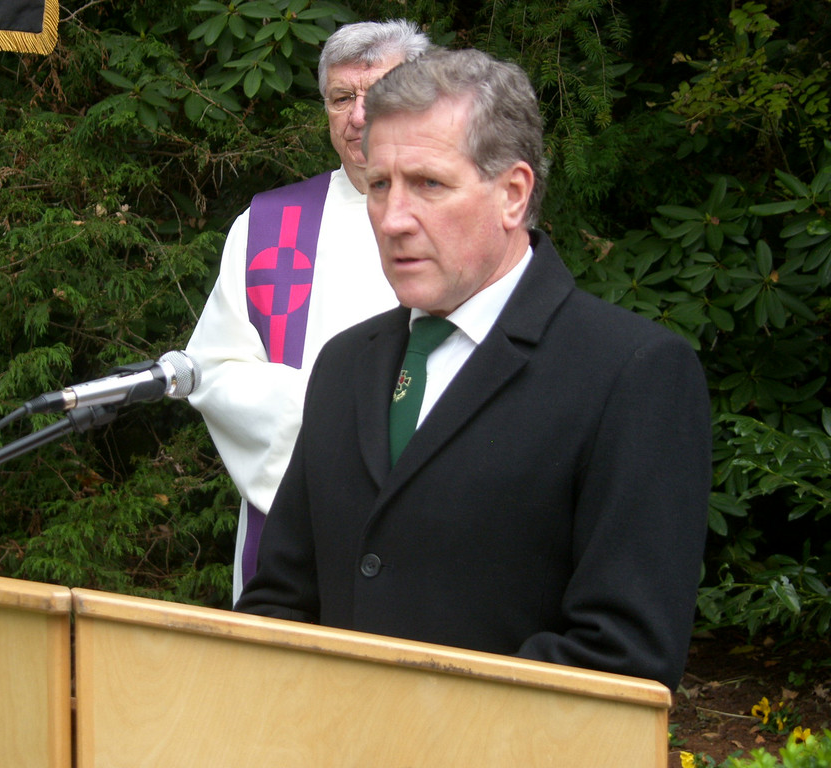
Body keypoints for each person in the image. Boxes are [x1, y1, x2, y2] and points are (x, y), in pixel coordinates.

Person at [236, 48, 711, 691]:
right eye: (379, 185)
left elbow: (622, 658)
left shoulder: (631, 374)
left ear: (513, 194)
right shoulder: (344, 365)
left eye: (429, 184)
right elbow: (280, 599)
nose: (393, 220)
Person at [186, 20, 430, 601]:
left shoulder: (463, 216)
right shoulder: (270, 226)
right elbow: (213, 370)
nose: (359, 116)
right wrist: (343, 426)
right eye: (342, 98)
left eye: (380, 93)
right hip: (299, 529)